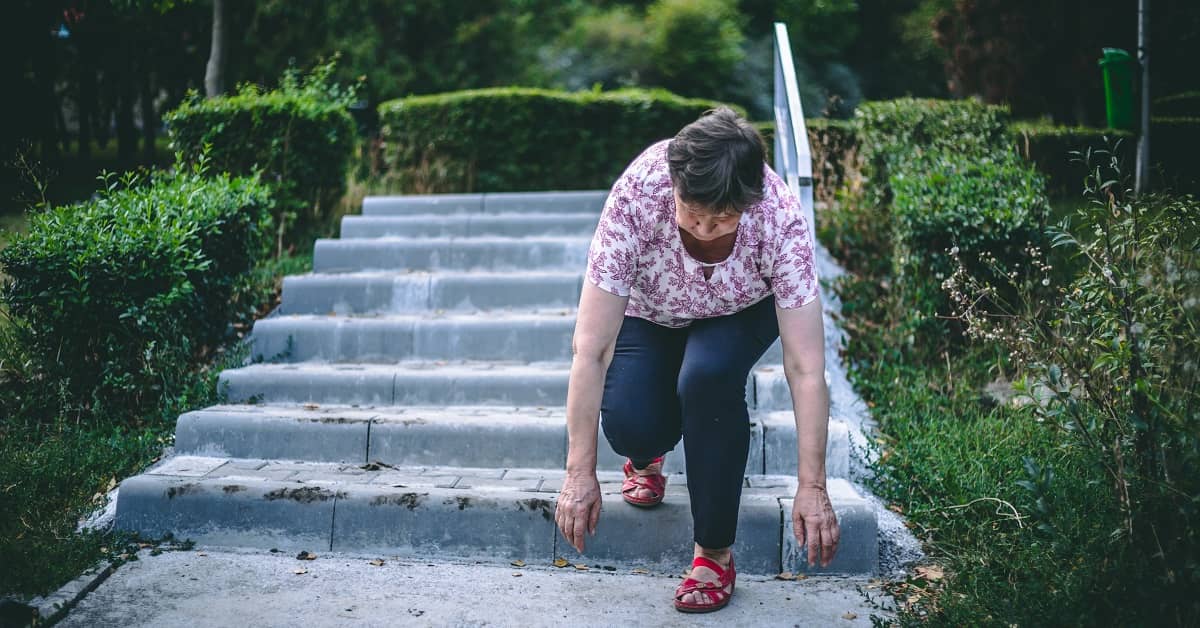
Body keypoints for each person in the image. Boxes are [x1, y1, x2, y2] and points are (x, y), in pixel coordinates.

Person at [553, 107, 841, 613]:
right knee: (634, 425)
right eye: (692, 212)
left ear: (749, 202)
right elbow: (591, 348)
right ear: (674, 185)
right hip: (653, 309)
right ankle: (645, 459)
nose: (705, 229)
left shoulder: (779, 216)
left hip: (738, 309)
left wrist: (812, 486)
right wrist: (579, 473)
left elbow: (805, 368)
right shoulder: (638, 195)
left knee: (706, 378)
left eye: (722, 219)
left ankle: (713, 553)